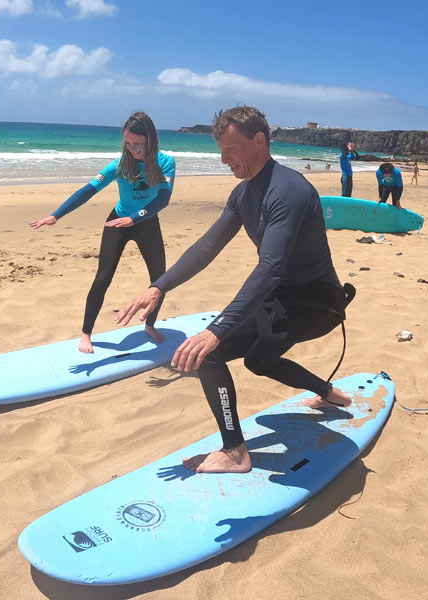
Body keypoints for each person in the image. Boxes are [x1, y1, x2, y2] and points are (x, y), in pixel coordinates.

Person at [116, 106, 355, 474]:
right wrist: (158, 287)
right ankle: (327, 393)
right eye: (220, 150)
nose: (222, 158)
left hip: (316, 303)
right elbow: (206, 247)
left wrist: (216, 330)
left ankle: (235, 452)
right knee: (259, 361)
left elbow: (271, 266)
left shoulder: (288, 190)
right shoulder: (243, 194)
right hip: (280, 297)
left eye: (230, 149)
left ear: (258, 141)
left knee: (208, 353)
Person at [29, 112, 175, 353]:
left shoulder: (165, 162)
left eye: (137, 144)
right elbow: (89, 190)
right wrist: (56, 215)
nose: (132, 149)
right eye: (128, 144)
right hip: (117, 222)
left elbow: (163, 198)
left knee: (159, 280)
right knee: (103, 278)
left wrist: (135, 218)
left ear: (151, 140)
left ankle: (149, 325)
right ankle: (86, 334)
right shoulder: (120, 165)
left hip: (146, 223)